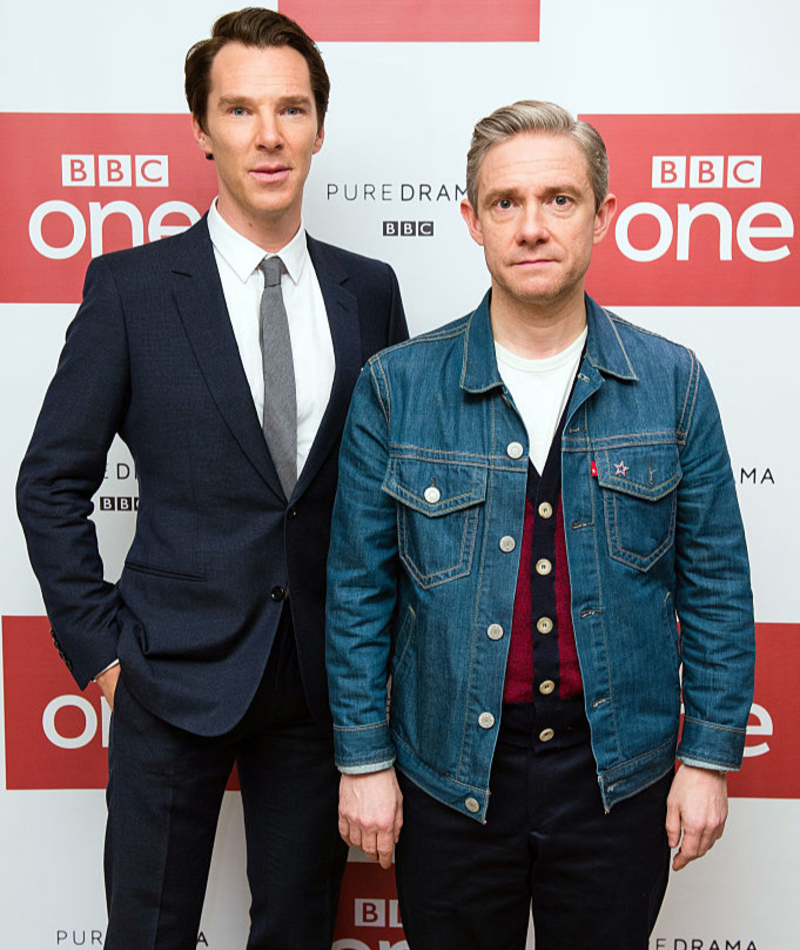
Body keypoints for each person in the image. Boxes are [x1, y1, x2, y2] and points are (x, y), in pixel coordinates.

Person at [17, 8, 407, 949]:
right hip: (165, 671)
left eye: (290, 109)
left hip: (322, 684)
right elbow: (51, 480)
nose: (267, 136)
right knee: (147, 932)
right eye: (239, 111)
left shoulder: (371, 289)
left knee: (298, 929)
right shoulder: (132, 288)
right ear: (202, 131)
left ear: (319, 124)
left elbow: (394, 489)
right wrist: (105, 655)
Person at [325, 100, 754, 950]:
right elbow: (356, 593)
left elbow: (716, 588)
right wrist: (364, 761)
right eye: (505, 203)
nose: (531, 227)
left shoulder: (674, 383)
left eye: (559, 199)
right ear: (472, 221)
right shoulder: (395, 386)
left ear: (603, 214)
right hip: (448, 775)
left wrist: (705, 759)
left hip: (617, 779)